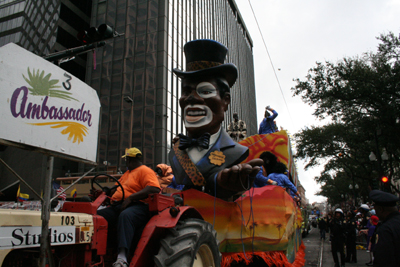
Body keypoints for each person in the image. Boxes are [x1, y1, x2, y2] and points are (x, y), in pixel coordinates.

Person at [169, 39, 262, 200]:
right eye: (186, 92)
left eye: (204, 91)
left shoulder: (235, 152)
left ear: (225, 101)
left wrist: (223, 187)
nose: (191, 99)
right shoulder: (176, 150)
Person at [97, 148, 161, 267]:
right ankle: (97, 252)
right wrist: (104, 192)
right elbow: (116, 188)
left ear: (129, 159)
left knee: (126, 216)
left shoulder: (145, 171)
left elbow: (154, 188)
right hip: (119, 205)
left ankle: (122, 257)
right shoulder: (127, 174)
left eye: (126, 159)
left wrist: (131, 198)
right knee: (97, 216)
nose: (125, 162)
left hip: (139, 205)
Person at [369, 190, 400, 267]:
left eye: (376, 209)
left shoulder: (385, 229)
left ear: (380, 209)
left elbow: (383, 258)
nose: (375, 213)